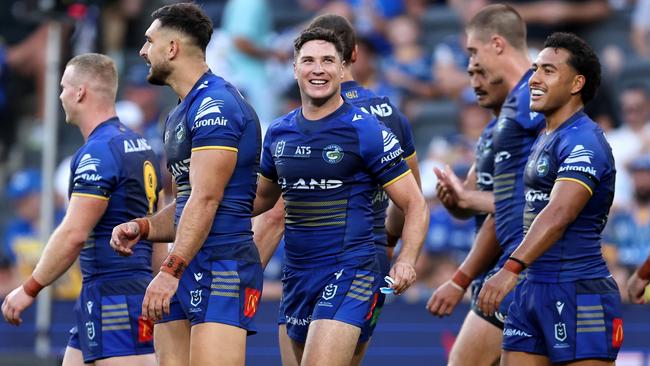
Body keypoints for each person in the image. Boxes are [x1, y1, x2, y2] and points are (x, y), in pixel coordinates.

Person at [252, 26, 428, 366]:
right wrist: (207, 207)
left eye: (327, 61)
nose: (318, 69)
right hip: (297, 275)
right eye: (309, 61)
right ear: (294, 68)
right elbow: (261, 201)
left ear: (342, 68)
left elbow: (415, 203)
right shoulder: (278, 132)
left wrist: (406, 259)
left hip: (352, 270)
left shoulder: (366, 130)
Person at [109, 3, 263, 366]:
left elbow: (207, 199)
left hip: (223, 262)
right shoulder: (179, 111)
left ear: (173, 48)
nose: (143, 51)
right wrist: (144, 226)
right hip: (189, 260)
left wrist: (169, 269)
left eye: (149, 41)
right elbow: (186, 203)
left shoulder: (216, 105)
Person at [1, 53, 160, 366]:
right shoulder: (141, 146)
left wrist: (29, 288)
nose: (59, 95)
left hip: (115, 295)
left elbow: (74, 233)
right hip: (116, 292)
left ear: (80, 92)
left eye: (63, 87)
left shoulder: (97, 153)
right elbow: (158, 228)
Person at [479, 32, 622, 365]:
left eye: (548, 70)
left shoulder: (583, 140)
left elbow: (559, 213)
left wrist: (510, 267)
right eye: (534, 69)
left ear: (576, 83)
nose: (534, 79)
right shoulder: (545, 137)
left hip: (578, 290)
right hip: (531, 288)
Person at [427, 4, 546, 365]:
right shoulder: (497, 126)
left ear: (496, 44)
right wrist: (455, 200)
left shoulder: (537, 100)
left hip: (523, 268)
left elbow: (532, 202)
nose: (472, 73)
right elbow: (477, 201)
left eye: (474, 54)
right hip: (501, 269)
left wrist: (460, 278)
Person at [426, 61, 509, 366]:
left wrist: (459, 279)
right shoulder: (489, 134)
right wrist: (453, 200)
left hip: (515, 274)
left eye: (481, 74)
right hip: (489, 277)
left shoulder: (526, 132)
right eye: (471, 75)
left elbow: (523, 207)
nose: (473, 83)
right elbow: (469, 202)